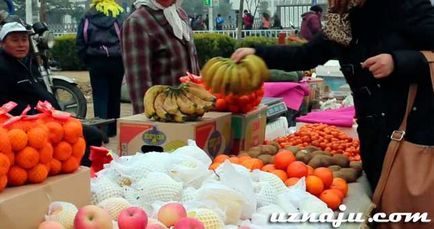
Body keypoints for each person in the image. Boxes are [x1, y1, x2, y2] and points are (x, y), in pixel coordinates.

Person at [232, 0, 434, 191]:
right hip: (373, 137)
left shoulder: (404, 5)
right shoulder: (342, 19)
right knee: (381, 203)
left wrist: (397, 62)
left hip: (413, 131)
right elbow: (305, 55)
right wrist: (257, 53)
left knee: (412, 207)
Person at [0, 22, 104, 166]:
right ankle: (78, 175)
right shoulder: (3, 67)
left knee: (93, 135)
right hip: (28, 126)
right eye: (15, 40)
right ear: (2, 44)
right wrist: (37, 115)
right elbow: (5, 105)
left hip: (48, 119)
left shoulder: (28, 62)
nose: (21, 44)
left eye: (24, 40)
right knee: (91, 136)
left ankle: (79, 173)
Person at [123, 0, 200, 114]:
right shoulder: (138, 22)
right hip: (163, 120)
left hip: (190, 113)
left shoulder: (180, 15)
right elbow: (139, 85)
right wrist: (148, 124)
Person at [76, 0, 125, 138]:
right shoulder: (118, 14)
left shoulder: (88, 15)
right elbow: (125, 37)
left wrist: (87, 60)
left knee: (99, 97)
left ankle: (101, 132)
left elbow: (81, 40)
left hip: (96, 61)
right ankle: (113, 130)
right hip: (117, 61)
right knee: (115, 96)